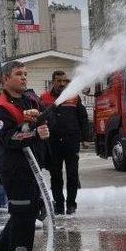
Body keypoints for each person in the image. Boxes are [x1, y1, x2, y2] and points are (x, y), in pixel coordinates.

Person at [0, 61, 50, 251]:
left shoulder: (29, 99)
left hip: (33, 167)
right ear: (5, 79)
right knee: (24, 217)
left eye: (25, 73)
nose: (24, 77)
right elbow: (8, 138)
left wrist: (39, 120)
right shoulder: (0, 107)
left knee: (24, 213)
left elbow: (38, 122)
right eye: (18, 74)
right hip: (16, 170)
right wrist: (34, 133)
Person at [40, 71, 88, 215]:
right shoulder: (44, 98)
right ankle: (59, 205)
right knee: (56, 176)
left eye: (64, 81)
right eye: (59, 81)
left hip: (71, 141)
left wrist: (84, 138)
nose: (62, 84)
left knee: (72, 174)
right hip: (52, 142)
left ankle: (71, 204)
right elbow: (39, 118)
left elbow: (83, 118)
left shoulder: (74, 97)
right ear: (53, 81)